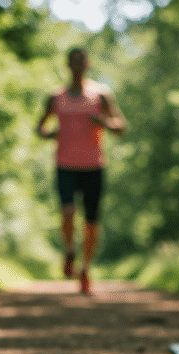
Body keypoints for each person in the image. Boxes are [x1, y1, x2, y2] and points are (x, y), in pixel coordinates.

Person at [36, 47, 126, 295]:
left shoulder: (101, 95)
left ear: (87, 64)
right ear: (67, 65)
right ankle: (69, 251)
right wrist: (50, 133)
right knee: (68, 210)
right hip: (64, 164)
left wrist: (104, 122)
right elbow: (40, 128)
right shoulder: (56, 98)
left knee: (91, 222)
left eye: (80, 60)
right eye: (72, 61)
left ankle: (85, 268)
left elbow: (121, 126)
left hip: (94, 166)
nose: (76, 65)